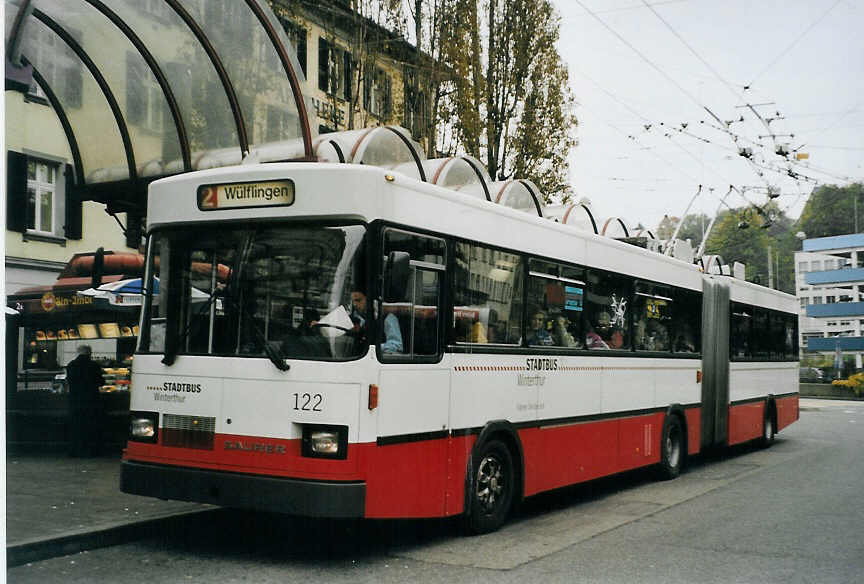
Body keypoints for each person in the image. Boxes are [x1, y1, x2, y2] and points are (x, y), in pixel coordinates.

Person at [65, 345, 104, 457]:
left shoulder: (71, 365)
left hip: (75, 401)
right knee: (91, 427)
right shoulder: (94, 365)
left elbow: (70, 381)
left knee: (76, 427)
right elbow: (101, 382)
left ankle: (75, 451)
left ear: (78, 353)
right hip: (91, 401)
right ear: (89, 353)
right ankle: (90, 451)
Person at [350, 289, 403, 353]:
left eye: (358, 300)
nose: (354, 304)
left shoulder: (388, 318)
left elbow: (397, 346)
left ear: (369, 300)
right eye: (353, 301)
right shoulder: (358, 320)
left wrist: (372, 348)